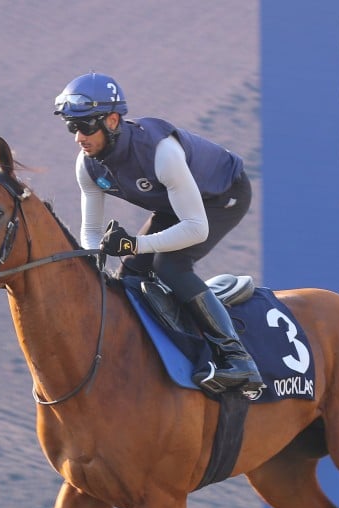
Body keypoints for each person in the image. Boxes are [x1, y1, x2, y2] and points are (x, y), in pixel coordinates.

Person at [54, 72, 264, 396]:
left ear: (111, 120)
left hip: (221, 198)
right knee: (129, 274)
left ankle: (238, 359)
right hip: (174, 204)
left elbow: (196, 228)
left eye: (84, 126)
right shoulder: (87, 165)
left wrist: (135, 243)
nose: (77, 137)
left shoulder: (160, 151)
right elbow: (91, 232)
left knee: (170, 266)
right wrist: (90, 273)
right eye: (71, 126)